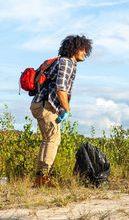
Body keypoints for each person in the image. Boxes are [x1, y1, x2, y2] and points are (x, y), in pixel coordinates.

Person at [31, 35, 93, 187]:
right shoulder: (66, 63)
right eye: (83, 49)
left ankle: (41, 179)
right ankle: (43, 180)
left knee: (50, 140)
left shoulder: (65, 63)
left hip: (42, 105)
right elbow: (61, 89)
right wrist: (66, 109)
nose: (85, 52)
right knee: (52, 141)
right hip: (46, 106)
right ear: (74, 49)